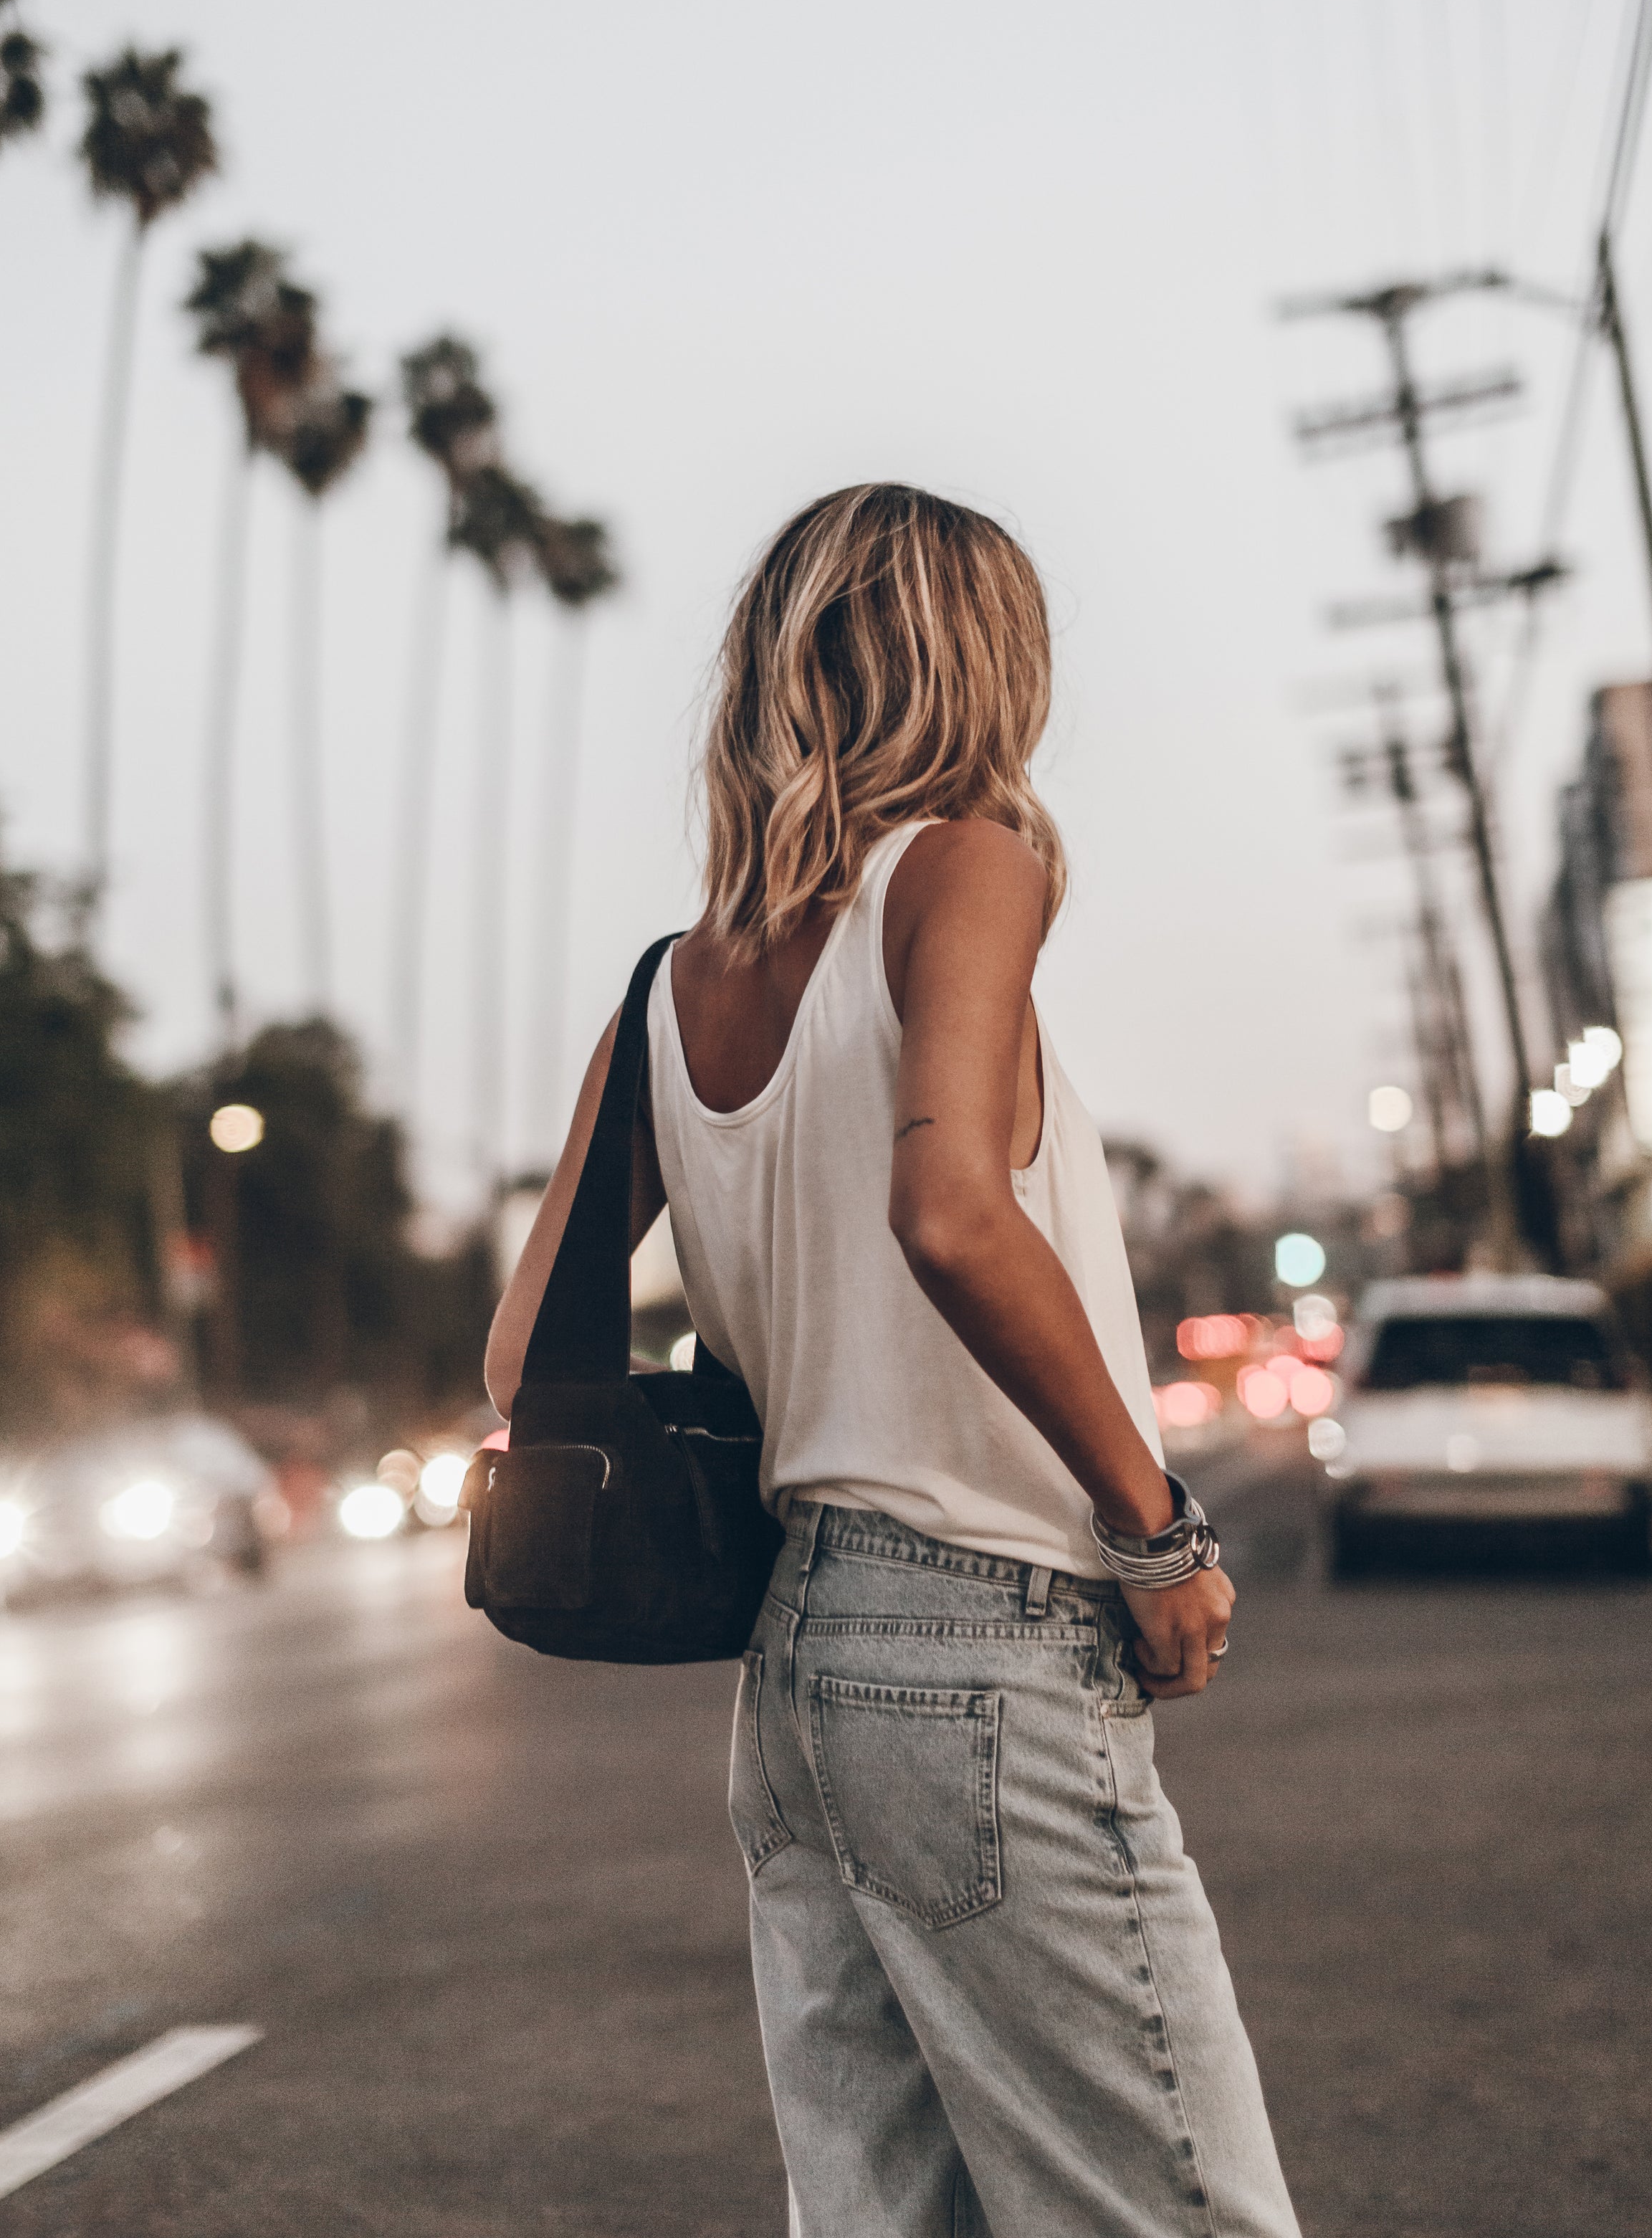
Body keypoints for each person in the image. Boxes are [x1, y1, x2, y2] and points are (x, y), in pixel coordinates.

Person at [487, 482, 1301, 2237]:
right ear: (973, 660)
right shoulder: (964, 858)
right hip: (976, 1638)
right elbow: (950, 1210)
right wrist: (1154, 1524)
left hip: (789, 1685)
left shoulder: (673, 987)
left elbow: (515, 1356)